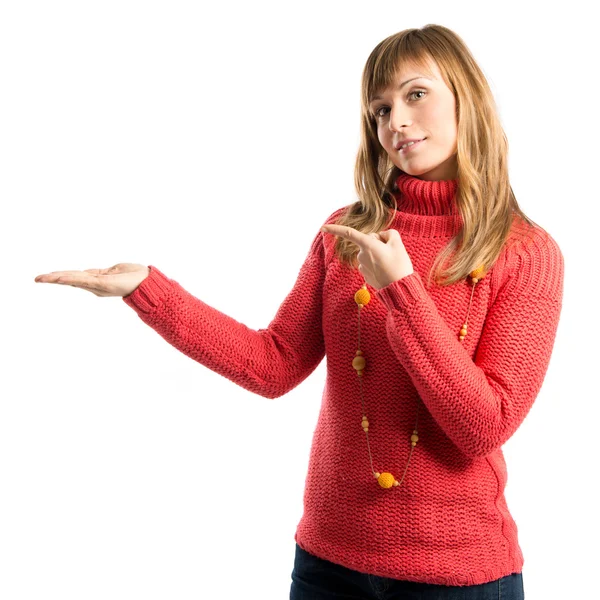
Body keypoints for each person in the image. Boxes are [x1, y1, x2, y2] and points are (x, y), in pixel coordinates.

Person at [34, 23, 564, 600]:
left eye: (415, 95)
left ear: (468, 96)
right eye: (379, 110)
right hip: (327, 562)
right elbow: (275, 364)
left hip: (457, 577)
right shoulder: (348, 232)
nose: (397, 122)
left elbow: (485, 425)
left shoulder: (525, 252)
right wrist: (148, 291)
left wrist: (401, 291)